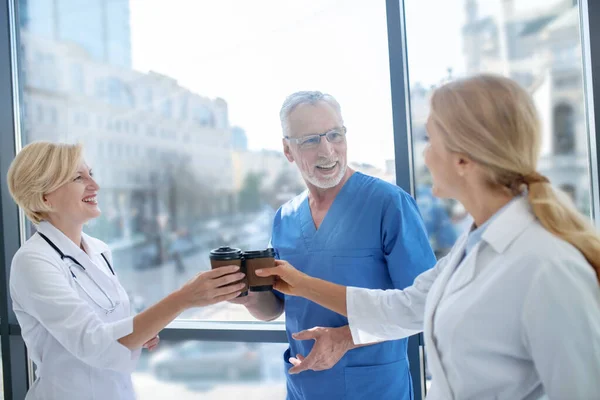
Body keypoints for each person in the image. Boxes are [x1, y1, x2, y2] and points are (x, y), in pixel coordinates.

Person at [256, 75, 600, 400]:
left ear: (463, 158)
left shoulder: (547, 266)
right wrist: (299, 284)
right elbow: (403, 307)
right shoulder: (472, 247)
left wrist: (340, 335)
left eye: (430, 139)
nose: (424, 154)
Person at [231, 91, 436, 399]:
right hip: (304, 387)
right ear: (288, 150)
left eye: (334, 135)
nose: (327, 150)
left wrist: (347, 338)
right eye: (311, 141)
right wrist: (246, 296)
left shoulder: (388, 204)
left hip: (375, 388)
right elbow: (275, 307)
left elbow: (426, 306)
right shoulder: (284, 218)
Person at [7, 142, 245, 400]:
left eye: (91, 174)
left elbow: (111, 325)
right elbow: (94, 344)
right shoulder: (33, 261)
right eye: (78, 177)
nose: (94, 185)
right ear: (45, 197)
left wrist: (141, 332)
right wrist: (185, 297)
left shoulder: (99, 249)